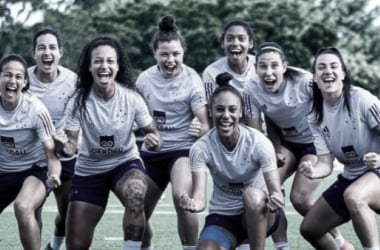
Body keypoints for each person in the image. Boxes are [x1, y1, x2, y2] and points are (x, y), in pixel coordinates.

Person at [244, 42, 353, 250]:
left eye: (274, 66)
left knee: (300, 198)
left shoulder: (305, 82)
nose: (268, 72)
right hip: (287, 144)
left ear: (284, 67)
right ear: (255, 67)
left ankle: (340, 244)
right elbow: (257, 132)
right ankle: (282, 247)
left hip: (314, 144)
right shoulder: (251, 89)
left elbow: (333, 106)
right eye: (263, 66)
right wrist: (271, 151)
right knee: (265, 188)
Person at [62, 36, 162, 250]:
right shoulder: (78, 101)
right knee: (76, 245)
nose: (104, 66)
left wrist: (154, 142)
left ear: (117, 66)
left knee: (136, 193)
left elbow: (153, 134)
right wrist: (66, 146)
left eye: (110, 61)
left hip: (124, 164)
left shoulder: (132, 98)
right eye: (98, 61)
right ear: (89, 67)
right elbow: (70, 143)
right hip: (89, 169)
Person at [179, 72, 285, 250]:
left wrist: (276, 198)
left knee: (252, 196)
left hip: (260, 214)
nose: (226, 115)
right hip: (224, 217)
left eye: (232, 109)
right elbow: (200, 199)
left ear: (241, 112)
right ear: (211, 112)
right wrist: (192, 203)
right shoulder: (200, 148)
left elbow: (275, 191)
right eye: (220, 109)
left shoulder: (259, 143)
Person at [136, 15, 210, 250]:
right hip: (152, 153)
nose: (171, 59)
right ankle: (145, 246)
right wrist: (147, 133)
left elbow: (206, 124)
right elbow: (138, 121)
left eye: (176, 54)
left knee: (182, 198)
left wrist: (199, 128)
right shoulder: (145, 79)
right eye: (165, 54)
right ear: (155, 54)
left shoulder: (192, 79)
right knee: (136, 207)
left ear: (183, 54)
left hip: (183, 150)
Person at [299, 47, 380, 250]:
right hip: (353, 176)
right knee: (310, 228)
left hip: (377, 172)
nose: (328, 71)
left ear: (343, 74)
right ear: (315, 78)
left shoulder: (362, 100)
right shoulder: (315, 117)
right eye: (321, 67)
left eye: (334, 66)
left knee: (354, 196)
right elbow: (325, 163)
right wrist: (312, 171)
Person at [0, 54, 61, 249]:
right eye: (7, 75)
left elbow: (52, 155)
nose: (12, 80)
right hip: (4, 171)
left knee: (23, 207)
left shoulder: (35, 109)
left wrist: (54, 175)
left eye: (18, 77)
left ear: (25, 82)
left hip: (35, 171)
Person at [28, 26, 78, 250]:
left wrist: (66, 143)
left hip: (64, 155)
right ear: (33, 53)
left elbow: (77, 125)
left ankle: (55, 245)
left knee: (67, 212)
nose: (47, 53)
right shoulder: (22, 79)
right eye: (41, 48)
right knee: (31, 208)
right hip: (32, 157)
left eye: (52, 48)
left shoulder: (73, 81)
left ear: (60, 52)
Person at [202, 19, 256, 102]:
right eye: (230, 39)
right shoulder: (211, 72)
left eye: (241, 39)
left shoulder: (261, 66)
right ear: (223, 43)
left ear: (250, 43)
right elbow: (211, 108)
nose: (235, 43)